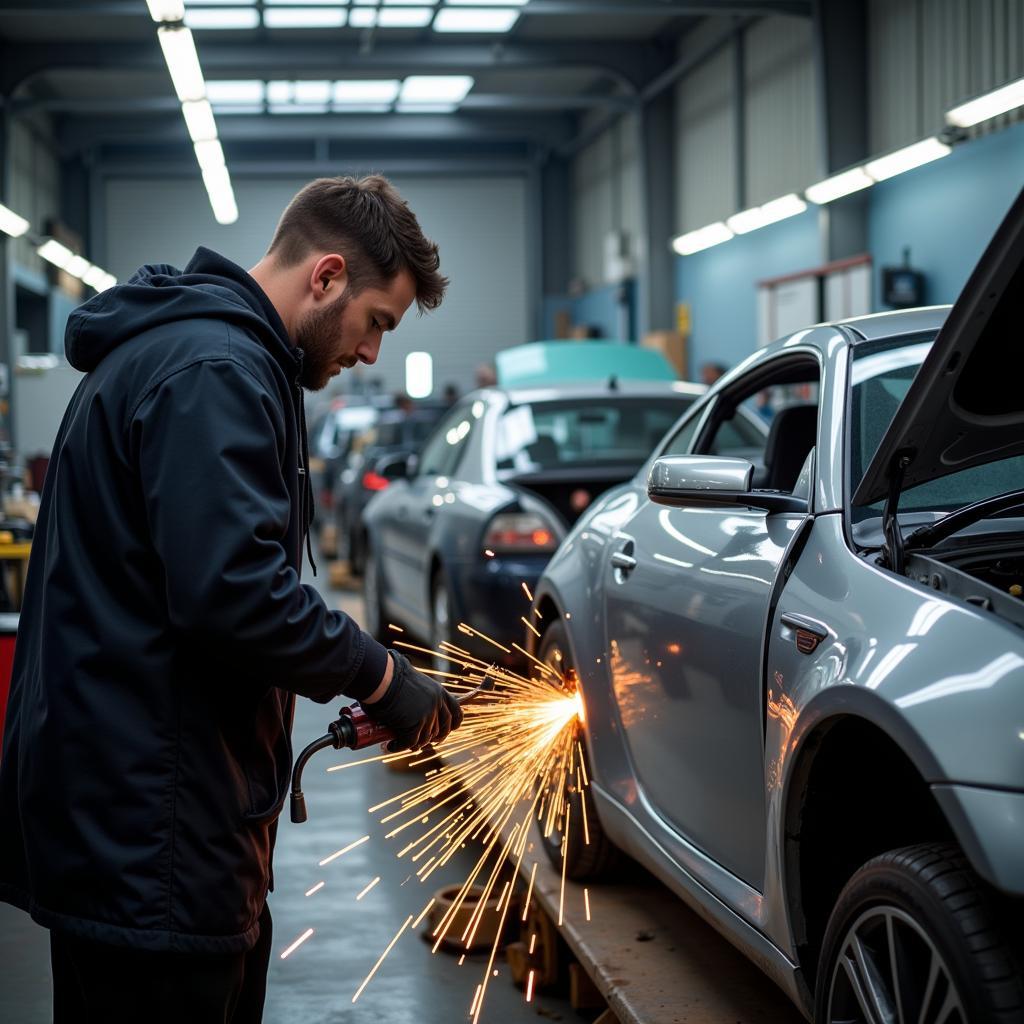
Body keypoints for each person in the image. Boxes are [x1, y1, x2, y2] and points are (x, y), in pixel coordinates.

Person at [0, 175, 464, 1022]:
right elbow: (235, 595)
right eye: (376, 324)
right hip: (151, 836)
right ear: (326, 277)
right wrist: (381, 676)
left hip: (146, 812)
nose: (370, 355)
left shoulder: (203, 355)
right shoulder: (216, 369)